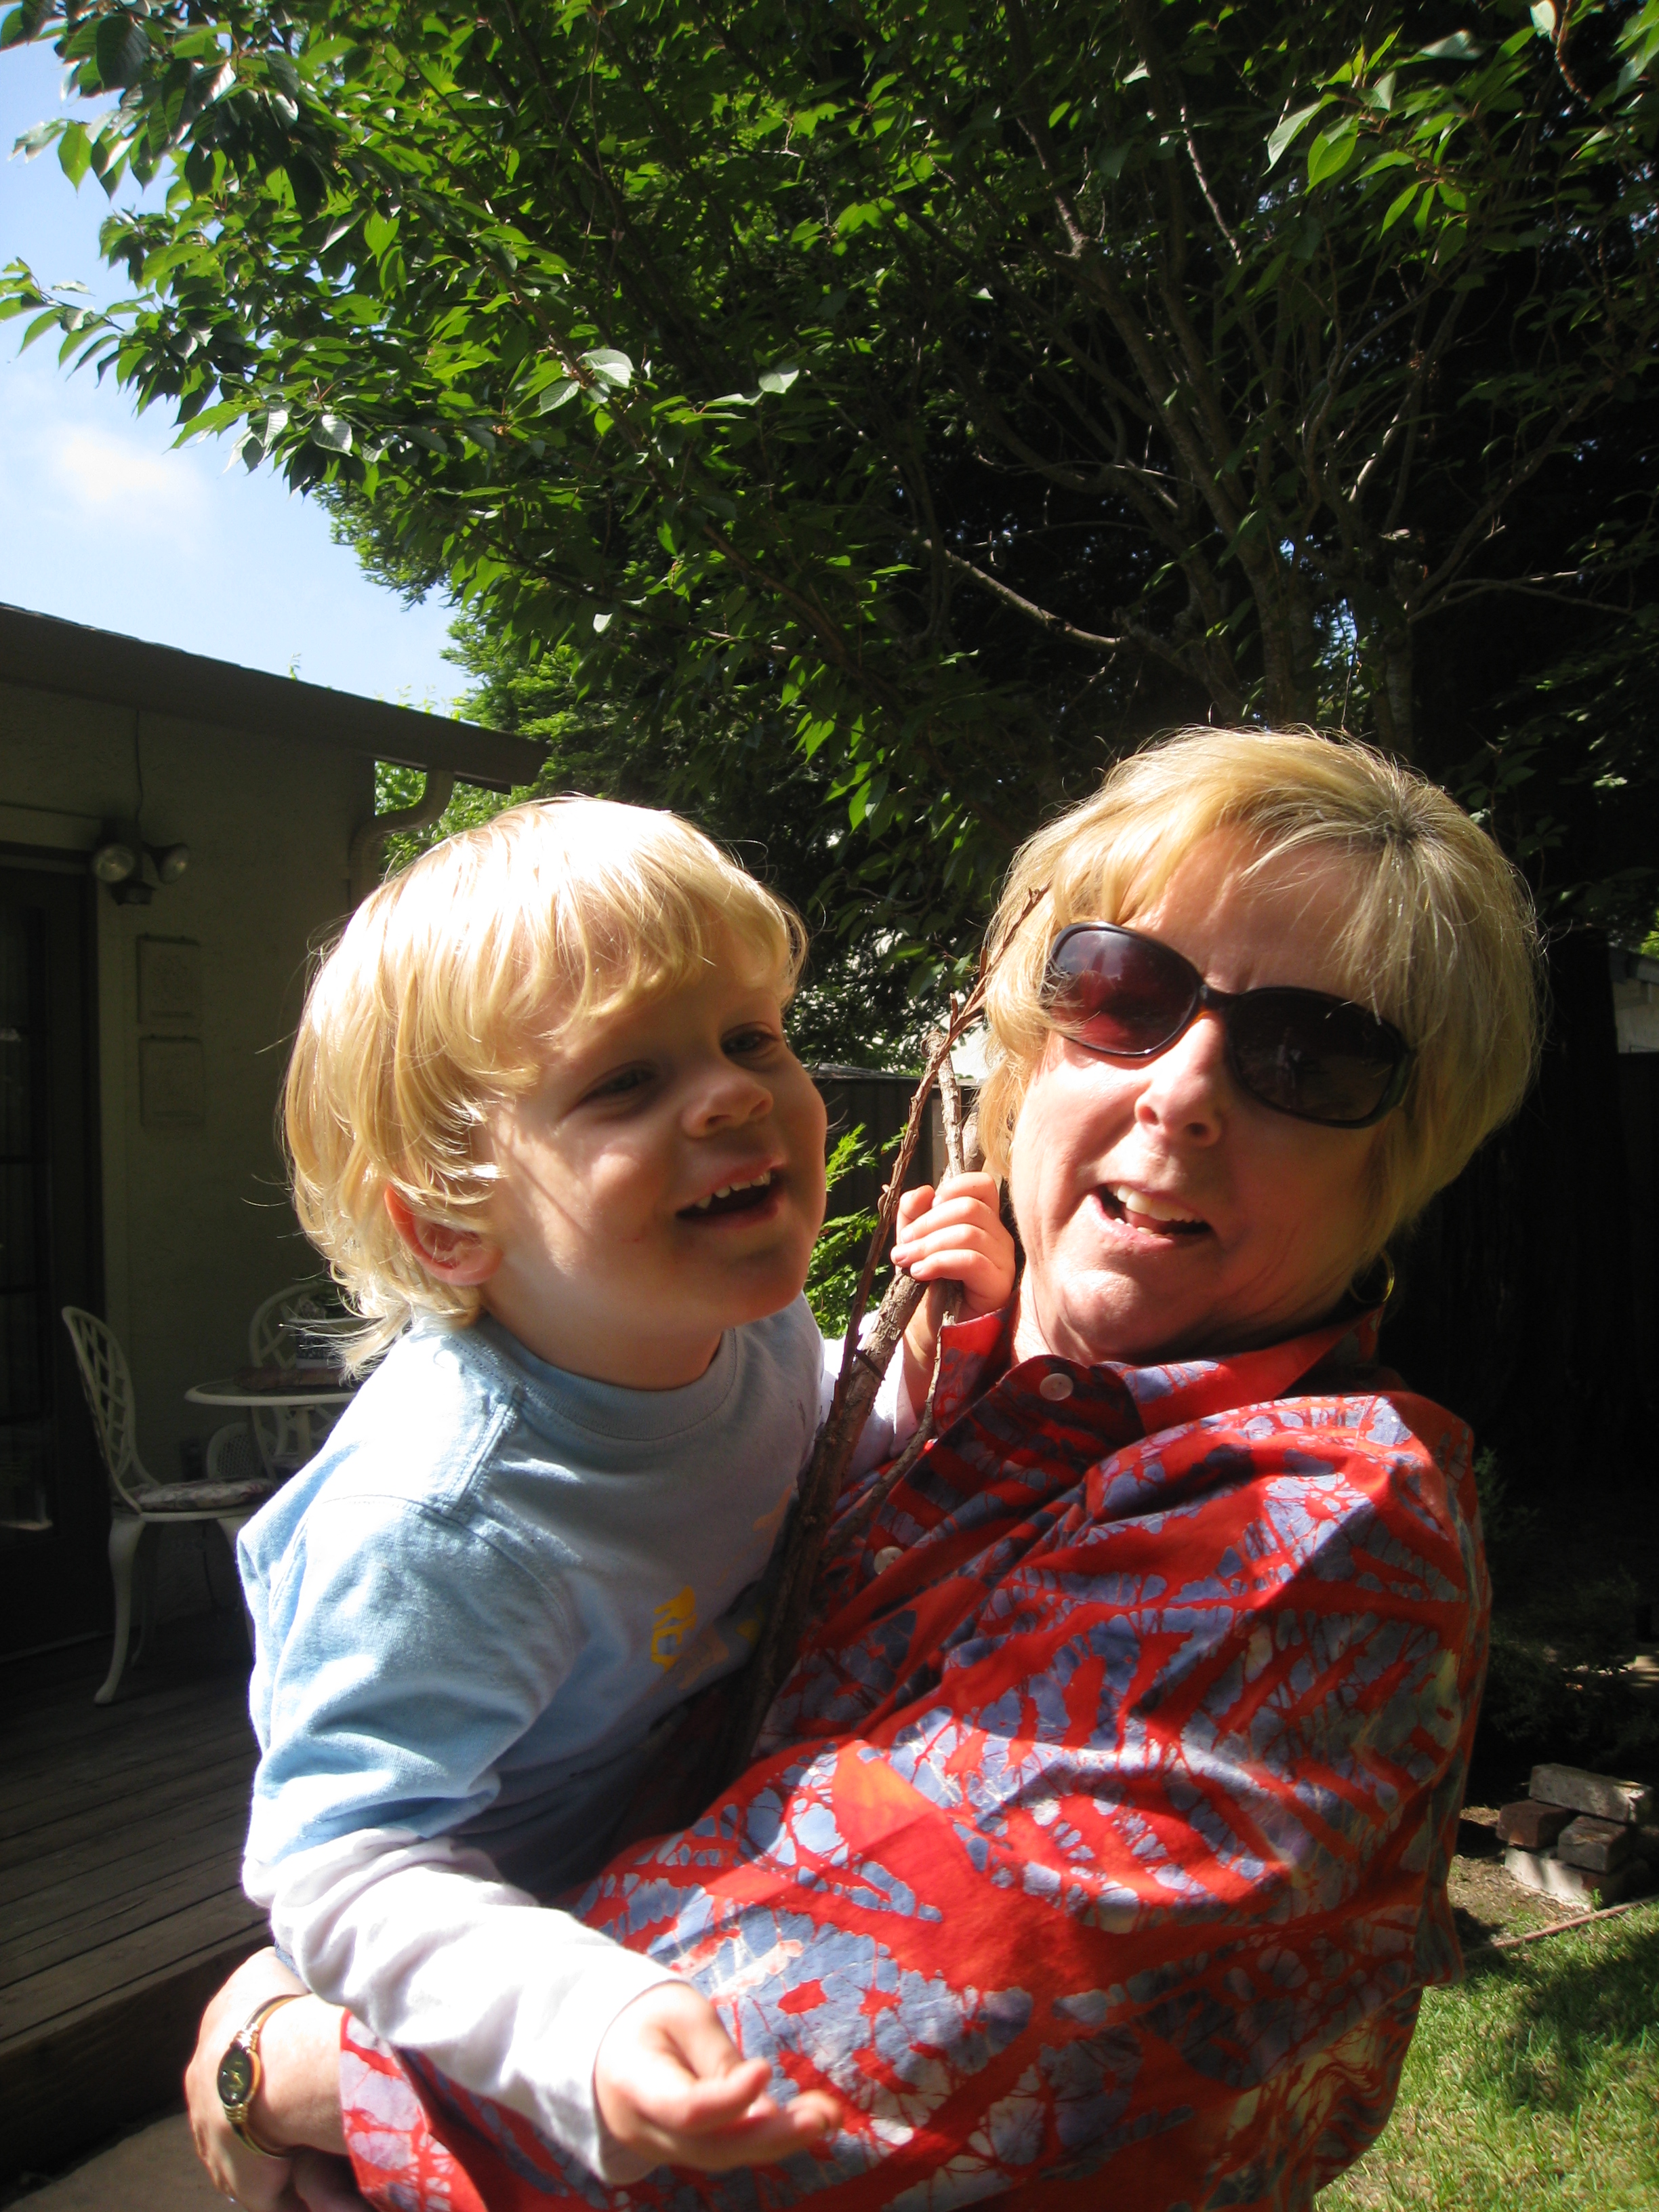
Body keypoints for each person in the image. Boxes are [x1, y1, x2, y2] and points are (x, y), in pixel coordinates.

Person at [188, 728, 1541, 2212]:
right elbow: (351, 1846)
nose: (1184, 1091)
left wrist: (290, 2059)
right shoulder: (463, 1502)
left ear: (1407, 1150)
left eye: (1312, 1056)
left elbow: (783, 2098)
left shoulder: (1309, 1537)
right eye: (1125, 992)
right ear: (1028, 1035)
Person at [215, 798, 1014, 2196]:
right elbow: (339, 1862)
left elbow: (834, 1459)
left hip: (641, 1897)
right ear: (449, 1222)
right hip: (468, 2013)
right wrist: (578, 2017)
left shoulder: (745, 1335)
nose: (733, 1095)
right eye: (625, 1081)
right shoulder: (441, 1520)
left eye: (750, 1038)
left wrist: (950, 1343)